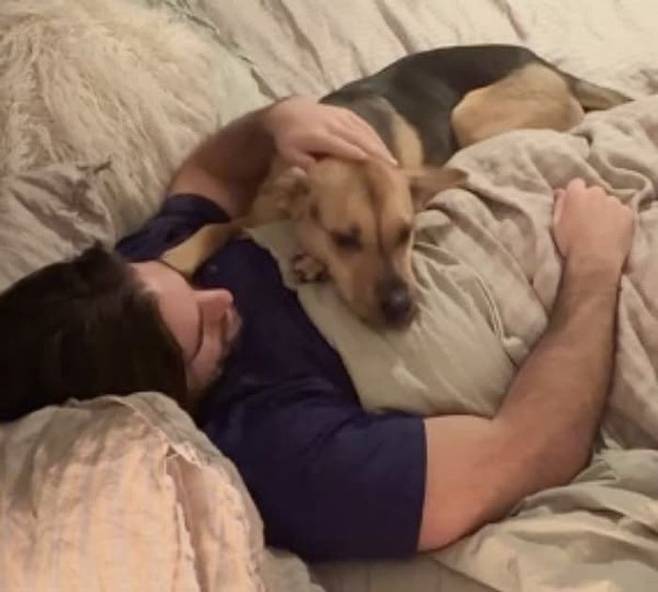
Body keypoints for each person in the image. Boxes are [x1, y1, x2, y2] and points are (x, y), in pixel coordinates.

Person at [0, 97, 635, 561]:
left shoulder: (135, 282)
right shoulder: (280, 452)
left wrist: (276, 120)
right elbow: (526, 452)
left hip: (505, 174)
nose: (219, 294)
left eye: (182, 279)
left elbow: (212, 176)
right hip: (579, 273)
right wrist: (596, 261)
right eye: (202, 329)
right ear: (165, 403)